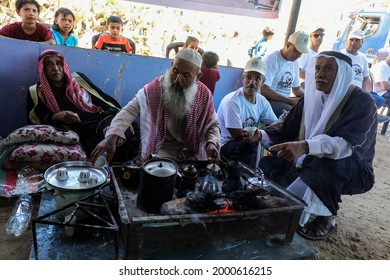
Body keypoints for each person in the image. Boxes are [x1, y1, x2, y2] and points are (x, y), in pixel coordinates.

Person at [257, 51, 377, 240]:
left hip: (352, 166)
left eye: (328, 69)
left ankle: (328, 217)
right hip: (308, 158)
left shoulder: (362, 101)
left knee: (326, 162)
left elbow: (346, 146)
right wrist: (259, 135)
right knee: (268, 166)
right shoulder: (310, 97)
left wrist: (305, 146)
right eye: (318, 68)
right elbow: (287, 131)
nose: (320, 74)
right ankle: (295, 205)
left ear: (343, 73)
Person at [91, 48, 220, 164]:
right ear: (171, 66)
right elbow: (130, 111)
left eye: (186, 75)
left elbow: (212, 124)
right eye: (175, 71)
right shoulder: (156, 88)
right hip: (160, 149)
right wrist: (112, 135)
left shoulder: (204, 95)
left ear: (198, 77)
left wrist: (211, 143)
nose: (178, 79)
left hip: (194, 152)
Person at [27, 49, 140, 160]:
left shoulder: (78, 79)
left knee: (119, 130)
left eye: (58, 63)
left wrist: (120, 114)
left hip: (97, 120)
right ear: (43, 69)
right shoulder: (37, 91)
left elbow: (100, 98)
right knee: (93, 146)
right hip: (75, 129)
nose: (56, 68)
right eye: (49, 64)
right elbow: (35, 120)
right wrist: (56, 117)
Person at [217, 57, 277, 169]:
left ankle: (271, 177)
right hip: (225, 147)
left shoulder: (262, 101)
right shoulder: (232, 101)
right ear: (243, 78)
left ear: (263, 82)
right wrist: (262, 134)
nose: (252, 82)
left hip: (247, 142)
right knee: (253, 143)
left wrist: (273, 129)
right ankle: (249, 176)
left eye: (257, 79)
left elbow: (276, 125)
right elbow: (238, 135)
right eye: (248, 77)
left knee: (276, 141)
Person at [261, 31, 308, 117]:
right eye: (296, 51)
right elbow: (264, 90)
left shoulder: (295, 63)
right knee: (295, 114)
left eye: (301, 53)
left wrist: (309, 96)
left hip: (284, 100)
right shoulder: (272, 60)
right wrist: (289, 101)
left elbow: (296, 89)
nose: (299, 55)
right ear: (287, 45)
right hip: (268, 101)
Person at [341, 30, 386, 115]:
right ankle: (369, 117)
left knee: (379, 100)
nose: (353, 43)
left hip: (359, 91)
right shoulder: (341, 55)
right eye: (351, 40)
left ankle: (369, 116)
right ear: (347, 40)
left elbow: (366, 78)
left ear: (362, 43)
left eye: (357, 40)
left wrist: (366, 93)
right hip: (346, 90)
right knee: (362, 105)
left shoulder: (363, 57)